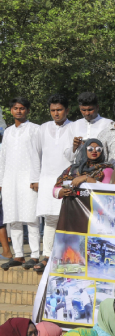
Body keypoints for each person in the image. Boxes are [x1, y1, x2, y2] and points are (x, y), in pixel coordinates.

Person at [0, 97, 42, 270]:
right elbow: (2, 157)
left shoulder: (35, 129)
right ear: (11, 110)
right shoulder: (8, 131)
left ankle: (34, 255)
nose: (19, 111)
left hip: (29, 180)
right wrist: (1, 181)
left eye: (22, 108)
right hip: (10, 180)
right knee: (13, 219)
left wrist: (36, 179)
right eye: (15, 108)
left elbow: (39, 155)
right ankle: (18, 255)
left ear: (28, 111)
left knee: (31, 218)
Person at [35, 94, 72, 272]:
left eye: (59, 110)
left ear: (67, 110)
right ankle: (47, 254)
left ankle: (64, 255)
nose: (56, 113)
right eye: (52, 110)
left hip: (66, 180)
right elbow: (36, 154)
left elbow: (75, 156)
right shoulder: (42, 128)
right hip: (47, 178)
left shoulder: (74, 127)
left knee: (65, 218)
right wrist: (36, 179)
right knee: (49, 218)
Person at [63, 92, 113, 163]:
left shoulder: (108, 124)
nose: (87, 113)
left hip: (101, 169)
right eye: (83, 110)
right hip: (79, 171)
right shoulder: (73, 126)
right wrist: (74, 147)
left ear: (97, 107)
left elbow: (112, 151)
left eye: (90, 110)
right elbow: (68, 156)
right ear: (80, 109)